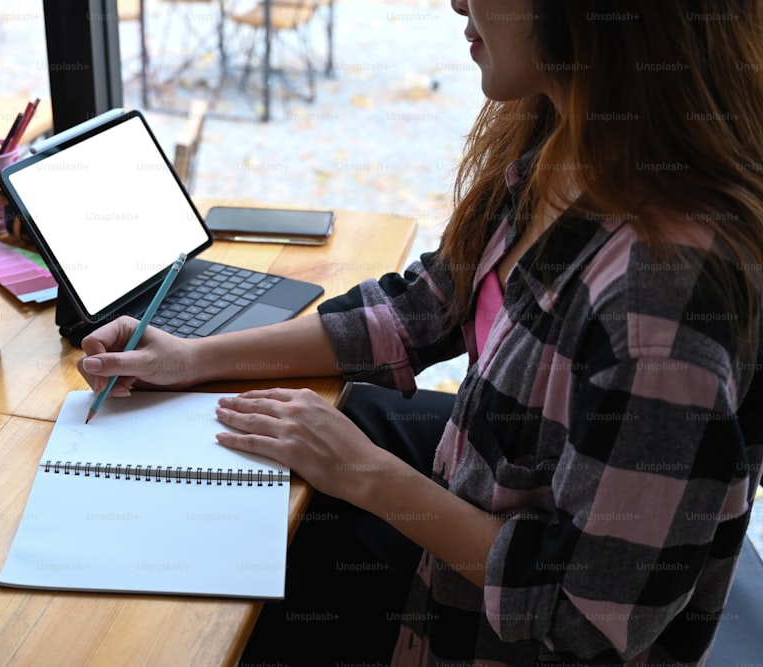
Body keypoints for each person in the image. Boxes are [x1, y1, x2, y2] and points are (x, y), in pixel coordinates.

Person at [78, 0, 763, 663]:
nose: (453, 1)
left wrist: (363, 473)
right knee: (326, 439)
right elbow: (421, 308)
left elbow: (582, 611)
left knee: (261, 590)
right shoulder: (560, 143)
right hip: (484, 499)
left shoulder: (659, 315)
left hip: (507, 636)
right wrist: (191, 358)